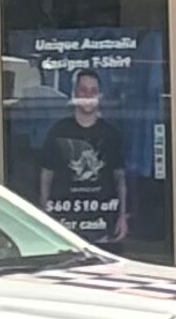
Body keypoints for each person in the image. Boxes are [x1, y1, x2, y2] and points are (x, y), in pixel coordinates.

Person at [31, 68, 130, 245]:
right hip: (64, 223)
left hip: (102, 224)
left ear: (99, 96)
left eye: (93, 91)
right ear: (75, 93)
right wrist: (45, 214)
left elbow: (120, 179)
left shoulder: (110, 134)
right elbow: (46, 176)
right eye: (83, 90)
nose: (88, 95)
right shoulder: (58, 131)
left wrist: (122, 217)